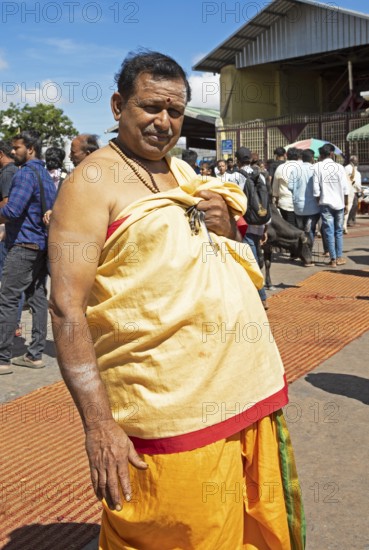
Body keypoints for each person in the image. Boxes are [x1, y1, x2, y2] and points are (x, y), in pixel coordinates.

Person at [49, 50, 305, 549]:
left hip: (243, 395)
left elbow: (213, 250)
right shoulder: (90, 184)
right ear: (118, 104)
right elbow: (65, 307)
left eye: (175, 111)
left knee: (243, 531)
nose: (163, 122)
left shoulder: (184, 173)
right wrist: (99, 426)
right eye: (150, 107)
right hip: (168, 413)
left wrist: (228, 226)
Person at [0, 131, 56, 374]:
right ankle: (35, 354)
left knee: (8, 299)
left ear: (30, 149)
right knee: (38, 298)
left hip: (23, 246)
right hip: (41, 246)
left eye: (18, 147)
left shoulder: (24, 174)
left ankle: (2, 358)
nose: (13, 152)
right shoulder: (44, 174)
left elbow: (12, 211)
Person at [234, 147, 271, 309]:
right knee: (255, 257)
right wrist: (266, 228)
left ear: (237, 160)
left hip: (244, 225)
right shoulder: (260, 176)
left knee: (252, 261)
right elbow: (266, 200)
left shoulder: (235, 176)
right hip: (260, 221)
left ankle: (262, 297)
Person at [0, 140, 24, 340]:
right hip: (10, 233)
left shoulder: (8, 173)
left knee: (9, 283)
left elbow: (7, 206)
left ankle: (12, 325)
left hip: (5, 233)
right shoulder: (14, 171)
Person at [313, 143, 349, 267]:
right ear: (332, 154)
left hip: (325, 203)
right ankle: (339, 257)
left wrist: (318, 200)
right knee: (338, 231)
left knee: (328, 231)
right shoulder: (340, 167)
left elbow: (316, 188)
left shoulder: (317, 166)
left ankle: (332, 259)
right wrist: (346, 203)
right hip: (339, 203)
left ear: (321, 155)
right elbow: (345, 188)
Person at [288, 148, 320, 256]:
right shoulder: (315, 169)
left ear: (302, 158)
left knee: (300, 230)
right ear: (312, 158)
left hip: (298, 206)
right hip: (313, 207)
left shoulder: (295, 170)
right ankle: (308, 253)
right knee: (310, 230)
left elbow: (290, 186)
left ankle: (301, 251)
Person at [272, 147, 300, 227]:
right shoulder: (302, 167)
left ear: (286, 155)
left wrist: (276, 200)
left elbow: (275, 188)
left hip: (285, 203)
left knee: (289, 227)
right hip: (302, 204)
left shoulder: (280, 168)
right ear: (298, 156)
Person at [344, 155, 362, 229]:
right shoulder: (348, 168)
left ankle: (352, 220)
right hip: (351, 190)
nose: (356, 162)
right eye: (355, 160)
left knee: (355, 205)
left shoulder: (355, 169)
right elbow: (349, 179)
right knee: (352, 205)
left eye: (356, 160)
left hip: (356, 190)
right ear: (351, 161)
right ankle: (349, 221)